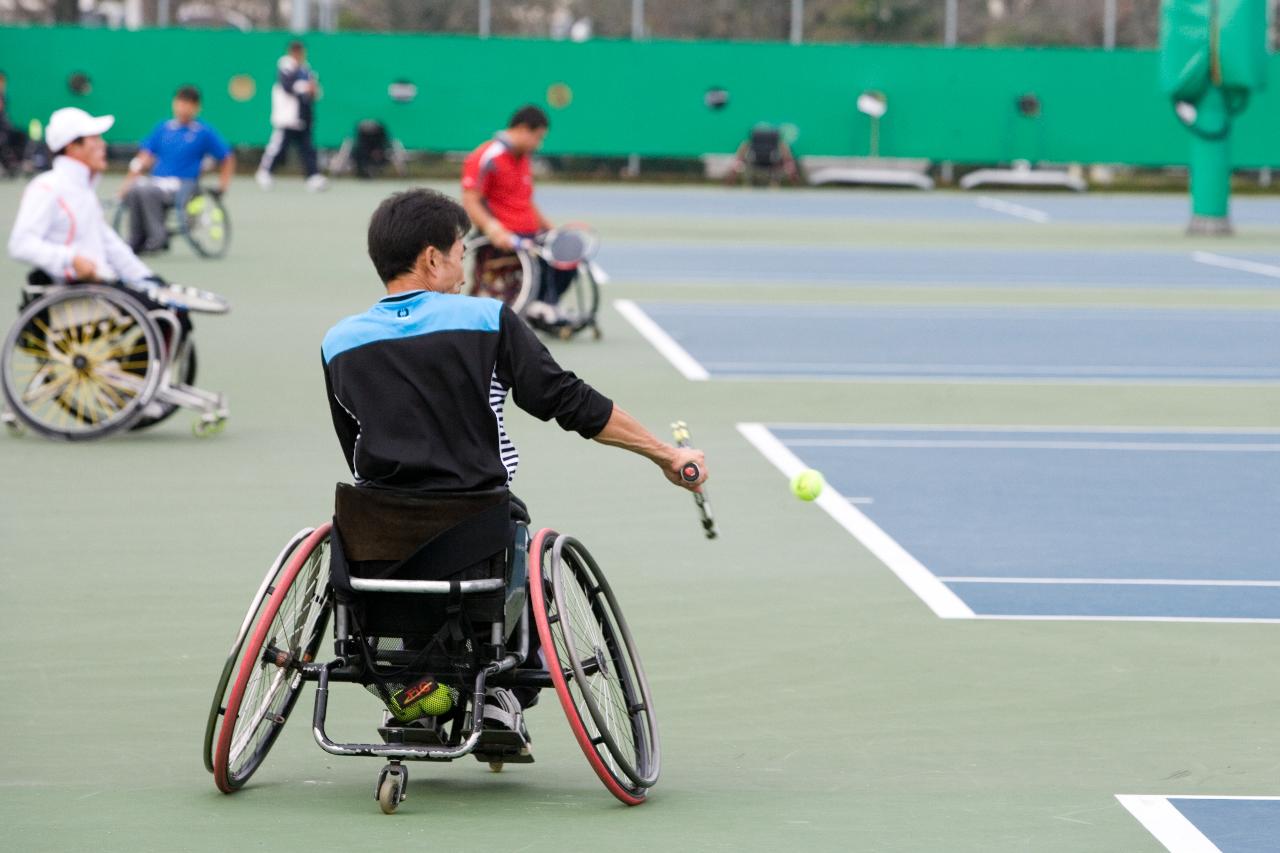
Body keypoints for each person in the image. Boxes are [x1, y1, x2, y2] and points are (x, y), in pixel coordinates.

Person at [321, 188, 707, 739]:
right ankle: (502, 692)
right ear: (432, 258)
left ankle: (411, 688)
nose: (464, 268)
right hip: (477, 529)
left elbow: (354, 447)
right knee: (516, 540)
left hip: (376, 542)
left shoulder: (338, 342)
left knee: (399, 532)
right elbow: (567, 401)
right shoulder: (486, 320)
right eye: (460, 253)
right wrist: (666, 454)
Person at [9, 107, 155, 290]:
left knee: (171, 308)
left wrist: (149, 279)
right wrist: (71, 259)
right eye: (94, 138)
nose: (102, 145)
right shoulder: (47, 187)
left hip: (101, 288)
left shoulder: (83, 190)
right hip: (79, 296)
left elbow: (111, 245)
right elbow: (21, 244)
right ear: (72, 147)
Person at [461, 105, 572, 325]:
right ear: (522, 129)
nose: (539, 145)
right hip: (506, 238)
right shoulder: (486, 156)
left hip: (531, 235)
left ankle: (544, 306)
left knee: (568, 253)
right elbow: (470, 200)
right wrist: (494, 230)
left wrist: (550, 228)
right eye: (537, 137)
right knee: (544, 257)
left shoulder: (523, 157)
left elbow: (526, 200)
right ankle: (539, 307)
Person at [117, 85, 234, 254]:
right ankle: (136, 239)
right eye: (180, 103)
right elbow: (143, 158)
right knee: (136, 189)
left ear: (197, 107)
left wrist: (223, 186)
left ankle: (157, 237)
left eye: (188, 104)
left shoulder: (204, 132)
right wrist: (126, 186)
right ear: (174, 103)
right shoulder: (162, 128)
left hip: (183, 186)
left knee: (147, 191)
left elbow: (227, 157)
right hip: (157, 182)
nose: (183, 108)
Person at [256, 40, 326, 192]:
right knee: (278, 147)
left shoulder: (306, 69)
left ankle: (313, 177)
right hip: (287, 117)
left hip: (304, 117)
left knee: (307, 148)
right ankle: (264, 173)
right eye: (295, 51)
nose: (298, 54)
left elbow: (315, 91)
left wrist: (313, 90)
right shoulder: (285, 65)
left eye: (300, 51)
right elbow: (288, 86)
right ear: (290, 52)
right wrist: (307, 87)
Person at [0, 70, 29, 176]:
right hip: (2, 132)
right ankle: (7, 164)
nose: (1, 84)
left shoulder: (4, 97)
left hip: (7, 129)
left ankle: (17, 163)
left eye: (2, 82)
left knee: (22, 135)